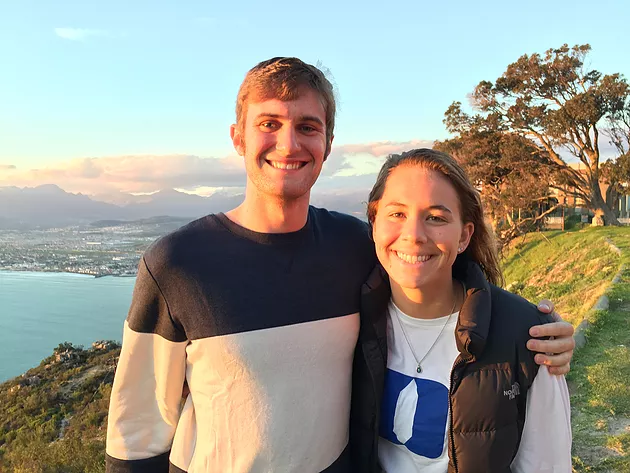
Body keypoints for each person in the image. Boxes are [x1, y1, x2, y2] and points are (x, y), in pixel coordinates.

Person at [105, 58, 575, 473]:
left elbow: (441, 287)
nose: (288, 144)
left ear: (328, 142)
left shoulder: (355, 248)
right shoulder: (177, 264)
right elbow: (137, 435)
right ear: (237, 137)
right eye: (269, 123)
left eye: (308, 127)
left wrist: (538, 333)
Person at [350, 148, 572, 473]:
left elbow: (547, 465)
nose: (413, 235)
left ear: (465, 236)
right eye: (396, 214)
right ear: (373, 222)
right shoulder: (348, 317)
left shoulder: (527, 339)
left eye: (436, 218)